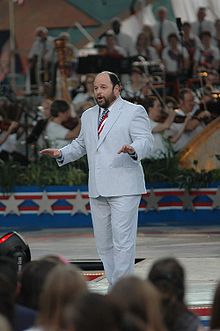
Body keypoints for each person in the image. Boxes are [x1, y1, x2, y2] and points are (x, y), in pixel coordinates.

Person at [40, 71, 154, 287]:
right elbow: (81, 145)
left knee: (123, 242)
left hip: (124, 186)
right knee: (104, 245)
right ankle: (115, 285)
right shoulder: (89, 115)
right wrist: (62, 153)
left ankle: (122, 289)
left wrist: (133, 149)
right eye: (95, 88)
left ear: (117, 88)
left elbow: (146, 141)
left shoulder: (133, 111)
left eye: (103, 87)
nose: (98, 92)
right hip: (98, 188)